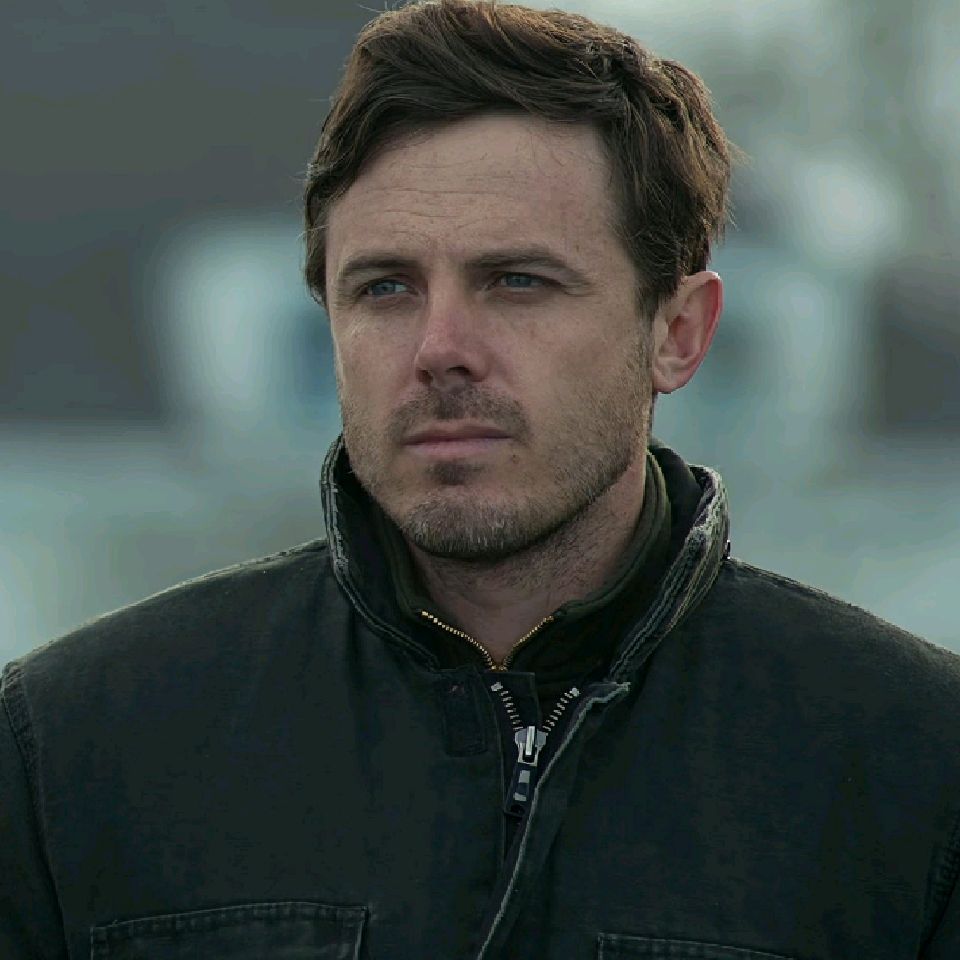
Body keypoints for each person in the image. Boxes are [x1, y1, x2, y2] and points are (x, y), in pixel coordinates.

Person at [2, 0, 958, 956]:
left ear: (678, 332)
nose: (440, 349)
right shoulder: (70, 753)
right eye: (385, 287)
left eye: (518, 282)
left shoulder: (914, 763)